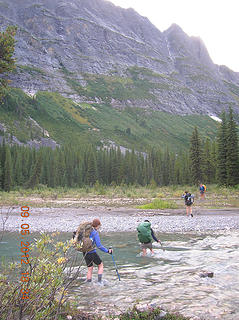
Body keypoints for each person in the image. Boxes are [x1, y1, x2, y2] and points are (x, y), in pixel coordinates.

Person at [83, 218, 112, 283]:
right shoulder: (95, 233)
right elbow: (99, 246)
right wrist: (107, 251)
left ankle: (88, 283)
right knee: (100, 265)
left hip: (85, 252)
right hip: (92, 252)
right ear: (98, 225)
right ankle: (99, 282)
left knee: (90, 268)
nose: (99, 227)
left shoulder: (86, 231)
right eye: (99, 226)